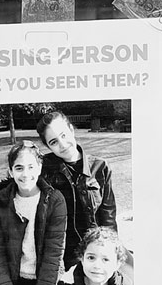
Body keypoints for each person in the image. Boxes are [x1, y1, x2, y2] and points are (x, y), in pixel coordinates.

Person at [0, 139, 67, 285]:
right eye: (19, 168)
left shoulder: (55, 201)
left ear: (39, 168)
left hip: (44, 281)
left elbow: (54, 254)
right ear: (11, 171)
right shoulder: (1, 203)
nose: (26, 174)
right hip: (11, 280)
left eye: (31, 167)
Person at [38, 109, 118, 272]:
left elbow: (108, 216)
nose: (62, 144)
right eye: (53, 142)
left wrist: (111, 251)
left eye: (64, 135)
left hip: (93, 251)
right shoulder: (44, 168)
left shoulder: (100, 167)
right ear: (48, 146)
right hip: (59, 254)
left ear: (72, 130)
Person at [58, 226, 131, 285]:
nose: (97, 266)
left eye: (105, 259)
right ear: (82, 259)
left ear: (117, 264)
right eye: (91, 258)